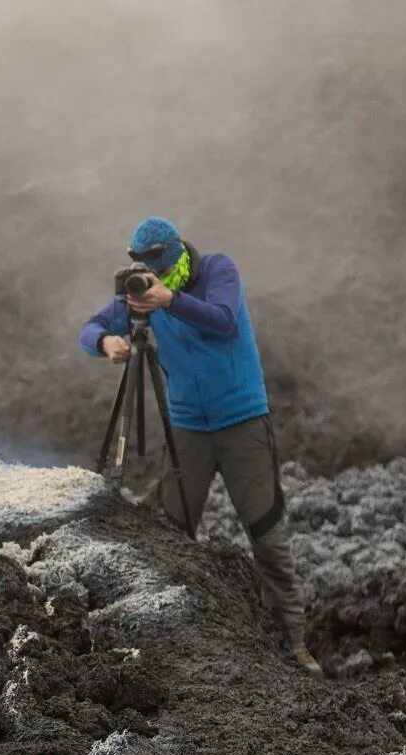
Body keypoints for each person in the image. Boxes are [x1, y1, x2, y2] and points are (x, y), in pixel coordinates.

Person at [78, 216, 320, 675]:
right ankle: (178, 637)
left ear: (175, 255)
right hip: (187, 426)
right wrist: (106, 340)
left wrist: (170, 300)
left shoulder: (217, 271)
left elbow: (223, 321)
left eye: (159, 267)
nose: (153, 277)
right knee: (172, 529)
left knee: (266, 530)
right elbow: (89, 329)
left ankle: (293, 642)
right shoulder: (140, 293)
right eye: (144, 268)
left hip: (242, 419)